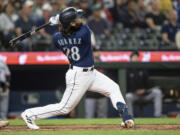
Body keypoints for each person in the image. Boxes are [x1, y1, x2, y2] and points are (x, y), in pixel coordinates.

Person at [21, 7, 134, 129]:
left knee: (113, 88)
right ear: (71, 23)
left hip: (90, 73)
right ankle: (29, 114)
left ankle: (126, 117)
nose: (80, 19)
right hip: (78, 76)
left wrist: (59, 21)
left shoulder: (57, 38)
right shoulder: (85, 31)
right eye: (76, 19)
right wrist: (60, 19)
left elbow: (63, 33)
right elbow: (77, 28)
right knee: (64, 108)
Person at [126, 51, 162, 117]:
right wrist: (134, 91)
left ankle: (158, 116)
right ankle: (129, 117)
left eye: (136, 57)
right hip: (134, 95)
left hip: (145, 94)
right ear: (130, 59)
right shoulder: (127, 70)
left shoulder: (142, 68)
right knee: (128, 96)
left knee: (157, 92)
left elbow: (148, 83)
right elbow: (126, 85)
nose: (135, 58)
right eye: (134, 57)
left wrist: (144, 90)